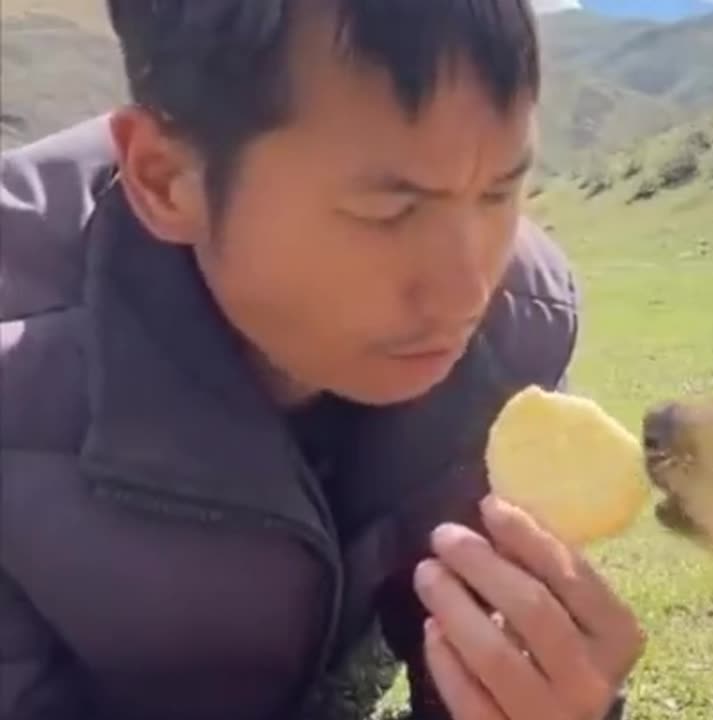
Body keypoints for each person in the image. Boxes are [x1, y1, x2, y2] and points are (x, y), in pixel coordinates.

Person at [0, 1, 646, 718]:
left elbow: (458, 649)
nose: (468, 292)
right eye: (388, 213)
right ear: (164, 179)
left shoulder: (523, 317)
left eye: (499, 193)